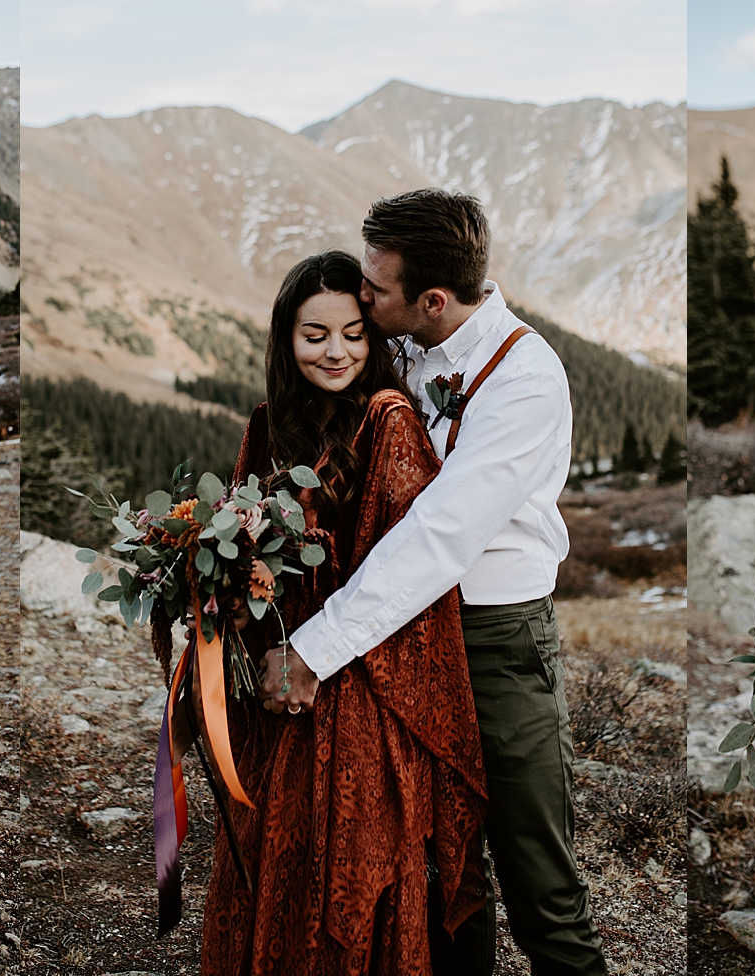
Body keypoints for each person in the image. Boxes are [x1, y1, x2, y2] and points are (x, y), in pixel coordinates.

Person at [262, 190, 607, 975]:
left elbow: (439, 537)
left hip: (495, 640)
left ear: (433, 300)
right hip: (406, 639)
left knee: (539, 887)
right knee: (444, 875)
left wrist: (316, 650)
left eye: (375, 290)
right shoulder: (406, 348)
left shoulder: (525, 378)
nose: (362, 295)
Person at [193, 250, 488, 975]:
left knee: (349, 867)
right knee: (270, 849)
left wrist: (315, 651)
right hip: (274, 672)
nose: (336, 352)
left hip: (358, 683)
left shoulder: (388, 424)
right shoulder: (268, 426)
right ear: (285, 339)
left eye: (354, 333)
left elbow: (408, 579)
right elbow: (240, 543)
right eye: (314, 334)